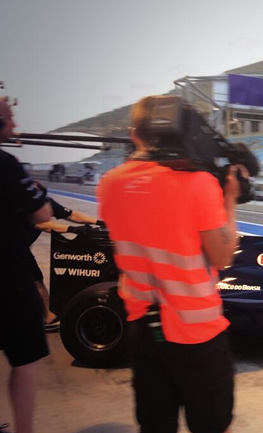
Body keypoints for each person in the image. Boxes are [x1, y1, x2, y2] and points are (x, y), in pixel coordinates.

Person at [97, 95, 243, 433]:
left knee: (155, 425)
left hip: (144, 332)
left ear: (135, 134)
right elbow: (222, 257)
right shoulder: (198, 184)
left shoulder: (109, 185)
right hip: (198, 335)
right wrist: (230, 199)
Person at [1, 96, 53, 433]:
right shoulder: (6, 164)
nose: (15, 124)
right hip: (8, 276)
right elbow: (42, 214)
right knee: (25, 358)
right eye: (9, 118)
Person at [22, 186, 105, 332]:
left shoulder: (45, 202)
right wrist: (71, 229)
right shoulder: (23, 205)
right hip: (9, 247)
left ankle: (48, 317)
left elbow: (72, 215)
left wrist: (97, 222)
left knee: (36, 280)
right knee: (32, 281)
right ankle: (46, 317)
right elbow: (41, 224)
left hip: (18, 248)